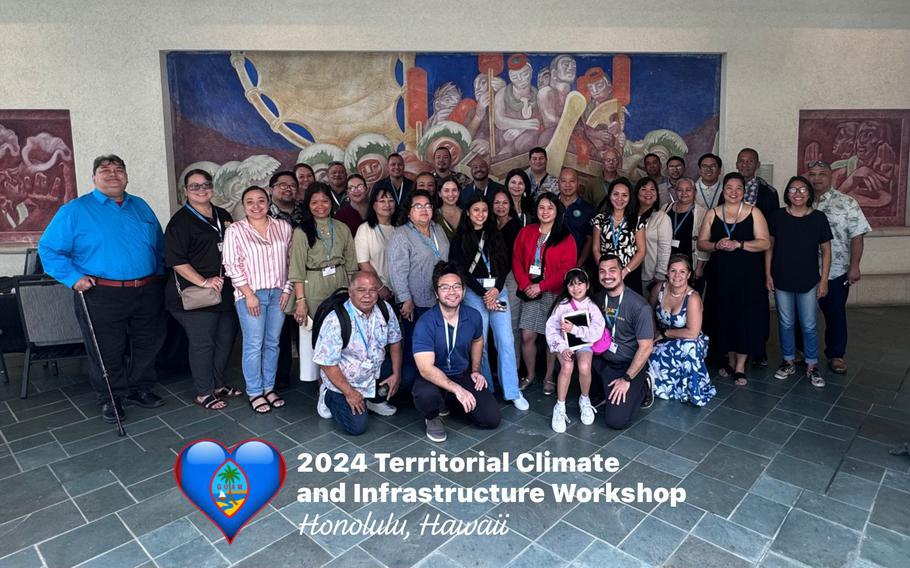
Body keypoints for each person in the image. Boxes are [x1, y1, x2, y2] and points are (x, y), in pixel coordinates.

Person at [39, 154, 166, 424]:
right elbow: (49, 249)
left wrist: (159, 277)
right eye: (105, 170)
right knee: (107, 348)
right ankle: (111, 397)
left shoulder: (140, 206)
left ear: (127, 176)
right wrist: (73, 278)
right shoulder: (75, 210)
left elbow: (158, 244)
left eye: (119, 169)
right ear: (94, 177)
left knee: (147, 343)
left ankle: (140, 388)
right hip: (101, 292)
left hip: (145, 288)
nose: (112, 174)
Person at [165, 169, 239, 410]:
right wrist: (203, 282)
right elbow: (176, 260)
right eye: (194, 186)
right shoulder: (180, 221)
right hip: (194, 295)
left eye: (206, 185)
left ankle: (218, 384)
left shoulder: (223, 214)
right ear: (185, 191)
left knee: (225, 339)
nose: (201, 189)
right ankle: (204, 391)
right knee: (203, 343)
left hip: (224, 292)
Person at [450, 195, 527, 410]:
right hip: (475, 293)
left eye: (484, 210)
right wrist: (484, 293)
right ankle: (486, 388)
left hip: (497, 291)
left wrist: (496, 290)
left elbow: (504, 265)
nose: (481, 214)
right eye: (476, 210)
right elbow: (461, 271)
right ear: (467, 212)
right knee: (479, 341)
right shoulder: (460, 239)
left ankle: (512, 390)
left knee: (506, 340)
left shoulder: (495, 235)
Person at [288, 183, 358, 415]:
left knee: (341, 335)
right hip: (313, 285)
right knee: (318, 340)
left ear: (332, 203)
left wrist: (352, 293)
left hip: (339, 282)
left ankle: (342, 385)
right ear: (308, 205)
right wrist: (301, 300)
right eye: (314, 202)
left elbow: (350, 264)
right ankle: (323, 392)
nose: (320, 206)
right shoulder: (301, 231)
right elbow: (297, 269)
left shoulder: (342, 228)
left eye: (325, 201)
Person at [222, 185, 293, 413]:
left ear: (268, 202)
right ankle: (255, 392)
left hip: (279, 294)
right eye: (250, 202)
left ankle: (268, 388)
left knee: (272, 343)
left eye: (261, 200)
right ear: (243, 206)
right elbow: (231, 265)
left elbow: (292, 261)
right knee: (254, 344)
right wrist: (249, 294)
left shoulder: (283, 227)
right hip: (250, 295)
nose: (256, 206)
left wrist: (287, 290)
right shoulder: (235, 230)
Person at [413, 262, 501, 442]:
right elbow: (425, 369)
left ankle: (449, 401)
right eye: (445, 288)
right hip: (433, 376)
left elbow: (478, 340)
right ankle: (432, 417)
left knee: (491, 419)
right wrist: (458, 389)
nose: (451, 292)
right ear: (437, 293)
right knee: (425, 395)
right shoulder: (425, 323)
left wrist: (475, 371)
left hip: (461, 373)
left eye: (456, 287)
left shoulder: (473, 315)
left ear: (463, 290)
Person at [697, 172, 770, 386]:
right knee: (724, 315)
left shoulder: (754, 212)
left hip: (749, 276)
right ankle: (728, 360)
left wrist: (740, 244)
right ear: (723, 190)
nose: (734, 192)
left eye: (738, 188)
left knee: (745, 317)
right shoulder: (713, 213)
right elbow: (701, 243)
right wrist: (716, 245)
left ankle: (740, 366)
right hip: (721, 275)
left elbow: (765, 243)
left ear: (744, 191)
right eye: (729, 187)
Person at [312, 272, 403, 435]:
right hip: (346, 380)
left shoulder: (384, 309)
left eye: (372, 290)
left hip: (374, 371)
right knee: (356, 427)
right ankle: (328, 396)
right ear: (350, 292)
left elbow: (395, 340)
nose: (367, 296)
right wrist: (350, 393)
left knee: (408, 374)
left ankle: (374, 399)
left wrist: (396, 374)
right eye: (361, 290)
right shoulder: (336, 320)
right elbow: (326, 363)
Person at [766, 175, 833, 387]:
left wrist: (824, 280)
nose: (798, 194)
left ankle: (812, 365)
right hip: (782, 278)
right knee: (785, 323)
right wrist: (767, 274)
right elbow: (769, 246)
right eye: (793, 190)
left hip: (809, 280)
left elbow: (826, 251)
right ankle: (788, 361)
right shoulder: (777, 216)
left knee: (809, 324)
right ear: (787, 193)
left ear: (809, 194)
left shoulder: (818, 218)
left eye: (803, 190)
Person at [808, 161, 871, 375]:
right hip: (805, 272)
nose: (817, 178)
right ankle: (801, 351)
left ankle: (836, 354)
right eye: (813, 174)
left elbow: (857, 236)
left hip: (835, 271)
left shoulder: (847, 203)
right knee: (802, 314)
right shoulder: (802, 202)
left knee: (835, 314)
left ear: (831, 176)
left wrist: (855, 266)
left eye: (822, 174)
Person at [513, 193, 577, 394]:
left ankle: (549, 376)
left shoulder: (566, 237)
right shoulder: (527, 232)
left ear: (557, 211)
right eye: (541, 207)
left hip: (553, 292)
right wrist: (526, 285)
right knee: (527, 335)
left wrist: (542, 286)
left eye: (550, 207)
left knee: (552, 337)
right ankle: (530, 374)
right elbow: (516, 259)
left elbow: (567, 270)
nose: (545, 211)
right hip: (529, 290)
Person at [387, 190, 450, 391]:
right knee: (417, 348)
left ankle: (434, 386)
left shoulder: (437, 229)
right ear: (408, 211)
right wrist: (405, 298)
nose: (424, 210)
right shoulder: (401, 234)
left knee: (438, 346)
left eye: (428, 206)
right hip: (417, 302)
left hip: (441, 300)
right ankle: (410, 390)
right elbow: (397, 270)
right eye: (418, 206)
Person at [592, 255, 655, 429]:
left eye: (612, 270)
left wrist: (627, 378)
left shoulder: (639, 306)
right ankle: (603, 389)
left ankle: (642, 388)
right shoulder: (596, 299)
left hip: (627, 366)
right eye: (602, 271)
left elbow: (646, 346)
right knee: (567, 361)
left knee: (616, 421)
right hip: (600, 359)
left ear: (622, 272)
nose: (607, 276)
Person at [648, 254, 714, 406]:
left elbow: (693, 333)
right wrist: (653, 333)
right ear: (667, 272)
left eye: (682, 271)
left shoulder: (693, 298)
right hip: (660, 336)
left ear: (689, 274)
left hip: (688, 339)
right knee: (646, 350)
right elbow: (648, 311)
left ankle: (687, 390)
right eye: (673, 271)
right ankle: (655, 386)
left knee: (689, 348)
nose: (677, 275)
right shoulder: (659, 289)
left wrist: (664, 334)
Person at [546, 268, 606, 432]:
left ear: (587, 286)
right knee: (567, 366)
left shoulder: (592, 306)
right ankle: (560, 406)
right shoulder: (562, 305)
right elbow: (551, 329)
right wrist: (562, 347)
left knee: (585, 366)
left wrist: (574, 330)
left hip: (584, 343)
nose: (576, 288)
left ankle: (584, 400)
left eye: (580, 284)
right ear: (567, 287)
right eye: (571, 285)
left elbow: (596, 332)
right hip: (564, 345)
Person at [268, 171, 302, 389]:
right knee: (277, 333)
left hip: (301, 281)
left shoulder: (304, 213)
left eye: (292, 185)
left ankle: (311, 375)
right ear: (271, 189)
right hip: (276, 282)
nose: (287, 189)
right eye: (282, 185)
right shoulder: (263, 214)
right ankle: (279, 378)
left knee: (302, 330)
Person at [590, 178, 646, 293]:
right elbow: (595, 248)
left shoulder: (637, 220)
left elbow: (641, 251)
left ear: (630, 198)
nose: (619, 199)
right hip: (605, 276)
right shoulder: (600, 219)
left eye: (624, 195)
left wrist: (625, 271)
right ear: (609, 195)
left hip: (629, 273)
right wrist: (605, 270)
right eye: (616, 194)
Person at [355, 186, 398, 302]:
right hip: (378, 291)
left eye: (391, 200)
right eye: (382, 201)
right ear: (374, 205)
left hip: (401, 290)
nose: (387, 205)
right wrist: (380, 287)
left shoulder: (400, 228)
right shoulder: (365, 229)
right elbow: (363, 263)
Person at [664, 178, 708, 286]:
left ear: (695, 192)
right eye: (680, 190)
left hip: (689, 263)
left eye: (688, 190)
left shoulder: (703, 213)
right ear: (675, 191)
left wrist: (699, 267)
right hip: (666, 262)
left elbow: (705, 241)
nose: (684, 193)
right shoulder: (666, 208)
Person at [636, 177, 672, 292]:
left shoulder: (662, 217)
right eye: (643, 189)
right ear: (636, 192)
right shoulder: (629, 215)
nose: (648, 192)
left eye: (652, 189)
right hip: (628, 272)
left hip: (650, 276)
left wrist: (661, 273)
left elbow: (665, 248)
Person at [558, 167, 594, 268]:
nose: (567, 185)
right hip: (551, 263)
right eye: (563, 181)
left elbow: (589, 240)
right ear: (558, 183)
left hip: (576, 263)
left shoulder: (587, 209)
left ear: (578, 183)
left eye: (572, 181)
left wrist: (578, 264)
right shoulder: (551, 205)